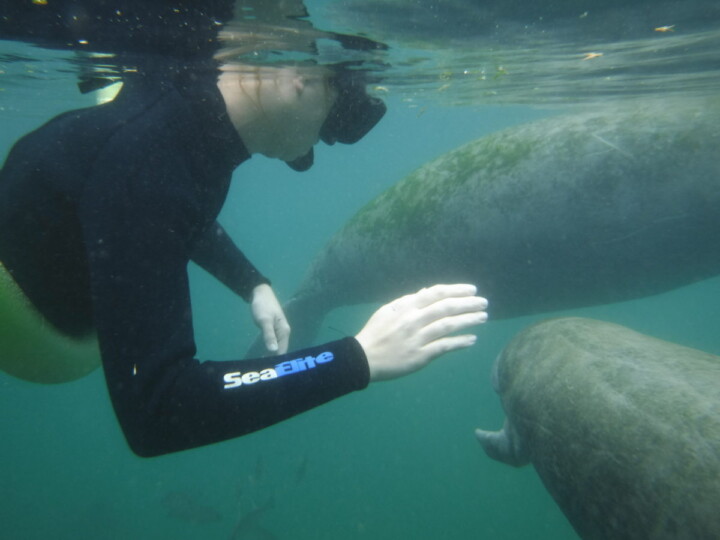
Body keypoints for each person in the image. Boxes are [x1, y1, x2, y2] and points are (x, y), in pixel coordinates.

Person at [0, 46, 488, 459]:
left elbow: (167, 208)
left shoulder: (190, 119)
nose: (315, 151)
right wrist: (358, 358)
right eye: (331, 118)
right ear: (302, 80)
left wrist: (251, 281)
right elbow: (160, 411)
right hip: (28, 329)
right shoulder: (147, 159)